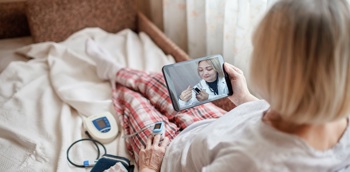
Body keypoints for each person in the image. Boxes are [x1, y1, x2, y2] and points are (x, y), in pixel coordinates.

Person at [86, 0, 350, 171]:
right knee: (161, 83)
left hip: (167, 157)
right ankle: (115, 70)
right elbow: (273, 118)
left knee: (135, 102)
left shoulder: (248, 162)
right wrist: (245, 99)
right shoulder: (332, 117)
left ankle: (116, 80)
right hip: (216, 130)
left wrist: (148, 167)